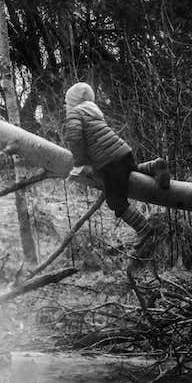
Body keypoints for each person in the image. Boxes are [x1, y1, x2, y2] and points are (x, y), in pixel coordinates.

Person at [63, 82, 171, 264]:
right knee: (131, 173)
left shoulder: (75, 112)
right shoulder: (93, 110)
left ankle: (144, 229)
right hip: (122, 151)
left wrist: (80, 163)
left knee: (115, 201)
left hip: (109, 161)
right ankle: (155, 166)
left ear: (71, 100)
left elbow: (75, 138)